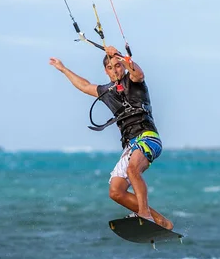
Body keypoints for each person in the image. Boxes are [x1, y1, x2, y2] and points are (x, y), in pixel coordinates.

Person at [49, 46, 173, 230]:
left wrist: (122, 57)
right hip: (130, 145)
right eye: (111, 67)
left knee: (133, 170)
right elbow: (84, 86)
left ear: (122, 67)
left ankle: (145, 214)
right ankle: (161, 221)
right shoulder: (106, 91)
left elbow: (138, 74)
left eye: (118, 66)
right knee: (116, 191)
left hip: (148, 137)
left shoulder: (133, 81)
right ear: (106, 70)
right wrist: (64, 69)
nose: (115, 70)